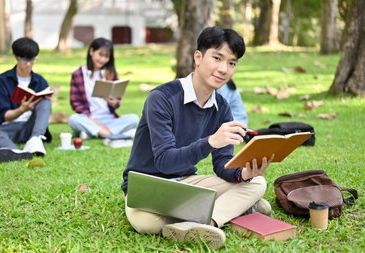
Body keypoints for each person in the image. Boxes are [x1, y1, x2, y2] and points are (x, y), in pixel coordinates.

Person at [121, 26, 274, 250]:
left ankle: (208, 222)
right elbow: (164, 161)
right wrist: (210, 141)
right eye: (217, 58)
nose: (224, 69)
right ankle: (233, 208)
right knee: (146, 223)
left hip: (185, 184)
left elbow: (222, 164)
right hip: (148, 184)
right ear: (198, 57)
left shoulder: (222, 107)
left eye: (232, 63)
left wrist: (243, 173)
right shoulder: (162, 98)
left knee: (258, 183)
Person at [0, 37, 52, 163]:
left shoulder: (40, 81)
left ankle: (35, 140)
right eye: (24, 60)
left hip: (32, 127)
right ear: (16, 57)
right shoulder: (2, 80)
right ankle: (17, 152)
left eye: (32, 59)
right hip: (11, 127)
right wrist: (22, 109)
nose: (28, 64)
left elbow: (43, 114)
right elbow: (5, 116)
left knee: (45, 102)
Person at [68, 38, 139, 139]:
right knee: (74, 119)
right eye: (100, 55)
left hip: (110, 120)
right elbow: (75, 103)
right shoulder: (78, 74)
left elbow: (117, 103)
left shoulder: (111, 74)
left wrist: (113, 102)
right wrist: (95, 123)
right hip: (89, 119)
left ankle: (93, 133)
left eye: (106, 57)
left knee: (134, 118)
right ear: (91, 51)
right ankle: (112, 133)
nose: (102, 60)